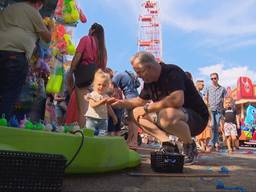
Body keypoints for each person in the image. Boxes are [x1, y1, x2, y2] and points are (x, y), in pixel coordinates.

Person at [111, 52, 209, 164]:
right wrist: (120, 102)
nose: (138, 76)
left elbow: (177, 100)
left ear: (149, 67)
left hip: (197, 119)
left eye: (139, 72)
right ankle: (168, 144)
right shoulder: (149, 81)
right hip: (173, 118)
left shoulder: (172, 72)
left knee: (167, 114)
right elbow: (139, 101)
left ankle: (189, 146)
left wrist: (150, 108)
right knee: (134, 112)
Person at [0, 0, 52, 120]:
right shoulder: (33, 12)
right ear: (38, 3)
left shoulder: (9, 9)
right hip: (16, 55)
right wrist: (51, 27)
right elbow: (47, 38)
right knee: (9, 95)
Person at [68, 23, 107, 128]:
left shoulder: (86, 39)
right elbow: (103, 68)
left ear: (92, 30)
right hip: (95, 81)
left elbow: (77, 56)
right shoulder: (103, 49)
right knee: (90, 110)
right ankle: (90, 133)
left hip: (83, 78)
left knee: (82, 110)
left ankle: (82, 135)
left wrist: (71, 71)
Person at [112, 70, 140, 149]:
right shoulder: (129, 74)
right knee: (132, 120)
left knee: (132, 120)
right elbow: (138, 85)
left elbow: (113, 89)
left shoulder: (117, 75)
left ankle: (133, 141)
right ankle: (130, 140)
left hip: (129, 98)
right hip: (136, 97)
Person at [84, 70, 117, 136]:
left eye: (104, 85)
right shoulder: (92, 94)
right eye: (99, 84)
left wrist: (114, 116)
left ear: (107, 86)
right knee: (89, 135)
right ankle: (88, 145)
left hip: (103, 119)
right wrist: (102, 101)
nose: (101, 87)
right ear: (94, 84)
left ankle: (100, 145)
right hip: (92, 118)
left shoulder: (106, 96)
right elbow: (93, 105)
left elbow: (108, 107)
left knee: (102, 135)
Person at [205, 73, 227, 151]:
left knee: (216, 126)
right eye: (212, 79)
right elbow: (206, 98)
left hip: (219, 110)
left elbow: (225, 99)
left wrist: (225, 107)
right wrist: (206, 107)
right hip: (211, 109)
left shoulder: (222, 89)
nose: (213, 80)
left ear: (218, 78)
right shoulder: (208, 88)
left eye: (215, 78)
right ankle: (212, 143)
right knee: (212, 126)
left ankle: (216, 142)